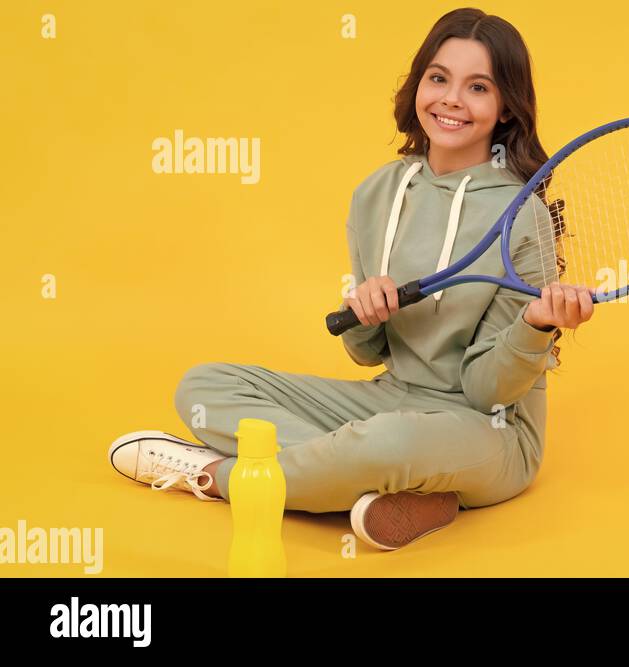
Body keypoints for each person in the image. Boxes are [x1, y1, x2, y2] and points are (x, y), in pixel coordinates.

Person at [108, 7, 593, 551]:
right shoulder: (375, 194)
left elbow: (485, 391)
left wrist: (534, 325)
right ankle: (391, 488)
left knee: (388, 441)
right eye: (438, 78)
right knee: (203, 386)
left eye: (477, 87)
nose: (452, 99)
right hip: (391, 400)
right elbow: (368, 355)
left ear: (505, 108)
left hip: (492, 430)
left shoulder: (523, 214)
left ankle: (220, 477)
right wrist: (366, 315)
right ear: (418, 85)